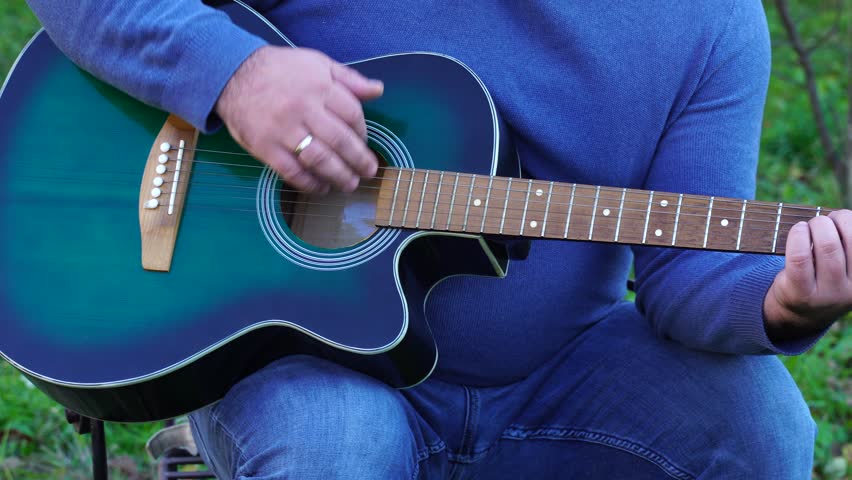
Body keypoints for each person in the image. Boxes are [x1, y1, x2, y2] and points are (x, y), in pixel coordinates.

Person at [24, 0, 850, 478]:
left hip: (556, 375)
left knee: (764, 426)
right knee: (336, 446)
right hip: (308, 364)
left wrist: (783, 300)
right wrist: (235, 77)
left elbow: (685, 274)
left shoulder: (710, 22)